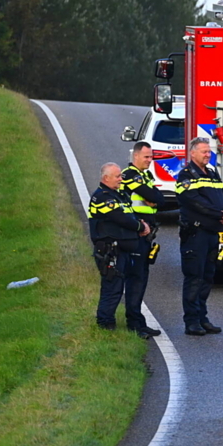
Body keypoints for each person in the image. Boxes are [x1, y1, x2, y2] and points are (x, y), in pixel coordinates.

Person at [175, 137, 223, 336]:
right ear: (192, 153)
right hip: (195, 234)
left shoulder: (212, 173)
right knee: (194, 277)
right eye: (203, 152)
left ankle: (202, 317)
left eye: (209, 152)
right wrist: (219, 214)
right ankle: (191, 321)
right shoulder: (185, 175)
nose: (207, 155)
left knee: (208, 277)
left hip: (211, 234)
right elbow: (195, 202)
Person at [88, 162, 152, 336]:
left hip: (123, 249)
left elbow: (129, 215)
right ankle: (105, 323)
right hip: (110, 251)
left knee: (123, 285)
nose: (121, 179)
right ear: (106, 178)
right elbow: (120, 218)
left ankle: (130, 322)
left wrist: (140, 224)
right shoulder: (102, 197)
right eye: (117, 176)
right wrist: (140, 227)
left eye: (121, 176)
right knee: (112, 287)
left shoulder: (119, 195)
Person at [118, 141, 165, 338]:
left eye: (151, 156)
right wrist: (151, 196)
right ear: (135, 156)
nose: (150, 159)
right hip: (136, 232)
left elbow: (159, 199)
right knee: (135, 279)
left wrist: (153, 197)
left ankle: (139, 321)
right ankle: (134, 323)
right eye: (146, 156)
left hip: (147, 233)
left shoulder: (146, 175)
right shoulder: (129, 175)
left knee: (142, 278)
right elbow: (150, 195)